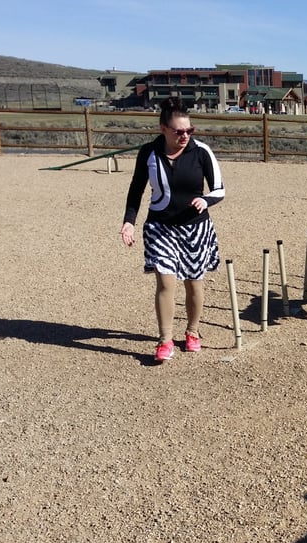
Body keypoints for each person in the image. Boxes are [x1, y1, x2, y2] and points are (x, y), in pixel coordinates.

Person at [120, 97, 225, 362]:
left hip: (195, 229)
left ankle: (192, 332)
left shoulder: (202, 151)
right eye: (179, 131)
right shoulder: (149, 153)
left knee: (193, 283)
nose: (185, 136)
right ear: (163, 129)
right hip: (160, 227)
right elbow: (136, 189)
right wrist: (129, 221)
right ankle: (164, 340)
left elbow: (220, 189)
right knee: (166, 282)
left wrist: (206, 199)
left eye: (189, 130)